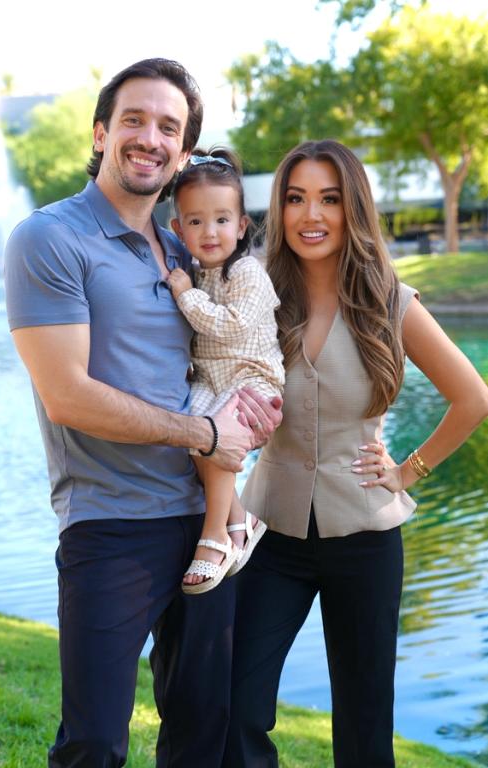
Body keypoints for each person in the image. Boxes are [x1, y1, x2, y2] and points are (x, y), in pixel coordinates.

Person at [4, 58, 282, 768]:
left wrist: (256, 408)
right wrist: (208, 432)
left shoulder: (183, 248)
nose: (149, 138)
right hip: (110, 525)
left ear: (184, 152)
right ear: (101, 132)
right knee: (94, 740)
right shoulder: (49, 238)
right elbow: (65, 393)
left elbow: (233, 348)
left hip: (206, 526)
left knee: (199, 732)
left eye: (169, 127)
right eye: (133, 119)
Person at [222, 139, 488, 768]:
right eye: (295, 198)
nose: (311, 215)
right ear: (279, 209)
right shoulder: (255, 292)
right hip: (270, 533)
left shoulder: (390, 301)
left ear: (353, 208)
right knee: (237, 704)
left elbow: (472, 398)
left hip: (366, 535)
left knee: (365, 728)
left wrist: (406, 471)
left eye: (329, 199)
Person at [167, 147, 285, 594]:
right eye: (195, 221)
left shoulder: (249, 273)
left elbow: (230, 326)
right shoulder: (193, 272)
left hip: (252, 378)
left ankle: (216, 536)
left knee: (215, 439)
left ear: (241, 226)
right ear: (179, 229)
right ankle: (242, 518)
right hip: (209, 380)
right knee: (193, 440)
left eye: (221, 220)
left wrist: (185, 296)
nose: (209, 231)